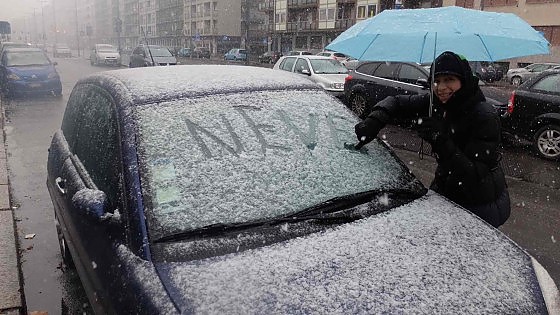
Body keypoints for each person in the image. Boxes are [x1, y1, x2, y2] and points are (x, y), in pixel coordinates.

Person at [354, 51, 510, 228]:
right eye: (436, 80)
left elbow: (474, 175)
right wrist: (376, 119)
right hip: (447, 192)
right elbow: (397, 102)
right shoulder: (436, 103)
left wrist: (440, 140)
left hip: (479, 205)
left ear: (464, 80)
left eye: (449, 79)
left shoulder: (484, 115)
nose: (441, 87)